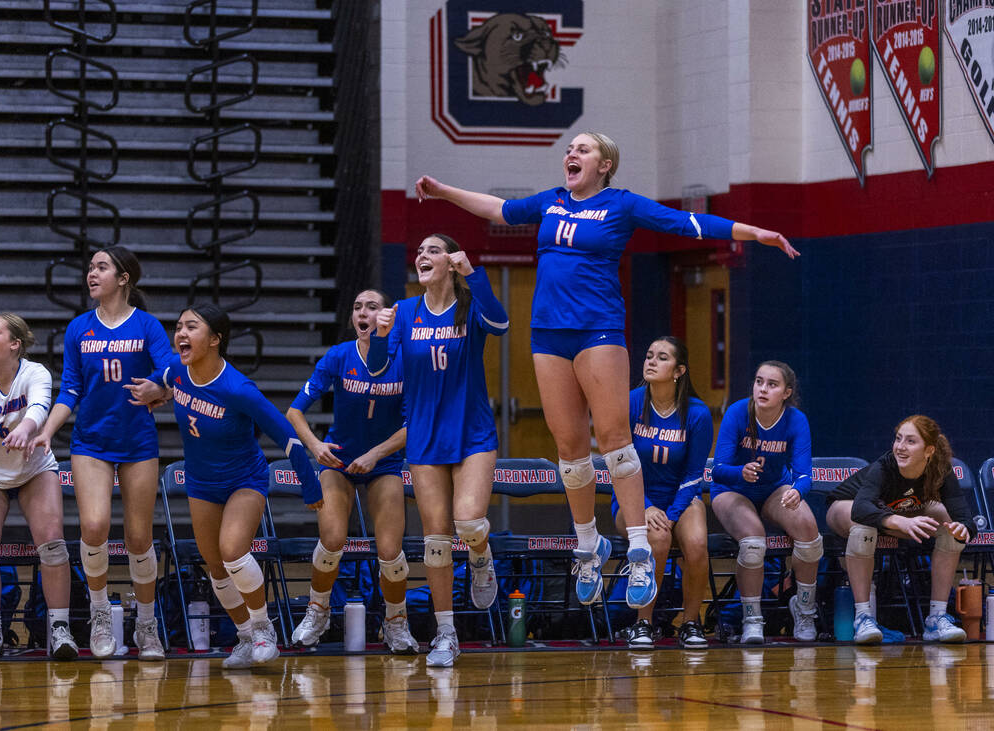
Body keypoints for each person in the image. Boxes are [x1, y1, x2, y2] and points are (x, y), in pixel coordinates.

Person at [414, 133, 797, 610]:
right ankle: (587, 545)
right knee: (570, 451)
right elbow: (497, 209)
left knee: (615, 440)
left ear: (606, 164)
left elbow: (688, 222)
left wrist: (753, 233)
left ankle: (638, 547)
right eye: (569, 149)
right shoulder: (551, 202)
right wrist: (444, 190)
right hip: (548, 333)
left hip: (598, 329)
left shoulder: (621, 204)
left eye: (583, 149)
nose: (571, 155)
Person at [126, 304, 323, 669]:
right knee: (215, 566)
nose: (181, 333)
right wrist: (155, 388)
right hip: (202, 483)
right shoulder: (178, 370)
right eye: (179, 326)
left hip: (244, 479)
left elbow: (289, 437)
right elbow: (164, 375)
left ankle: (265, 629)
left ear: (215, 339)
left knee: (232, 551)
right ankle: (245, 636)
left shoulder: (237, 388)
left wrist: (311, 488)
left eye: (192, 327)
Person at [366, 234, 509, 668]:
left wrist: (474, 274)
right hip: (425, 436)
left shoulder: (469, 304)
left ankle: (481, 555)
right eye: (419, 249)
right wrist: (380, 333)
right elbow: (376, 367)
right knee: (436, 541)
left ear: (450, 261)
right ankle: (446, 634)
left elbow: (501, 325)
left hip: (472, 432)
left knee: (468, 521)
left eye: (432, 250)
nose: (421, 255)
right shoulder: (405, 312)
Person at [29, 246, 172, 660]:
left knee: (139, 536)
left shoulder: (147, 326)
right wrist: (46, 430)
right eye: (90, 267)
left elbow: (170, 370)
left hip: (137, 443)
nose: (92, 273)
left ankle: (146, 624)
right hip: (90, 442)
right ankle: (99, 613)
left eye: (101, 267)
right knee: (93, 527)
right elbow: (70, 388)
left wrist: (158, 388)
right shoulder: (79, 329)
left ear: (123, 278)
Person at [286, 289, 416, 654]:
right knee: (332, 539)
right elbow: (294, 412)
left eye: (372, 306)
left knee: (390, 549)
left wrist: (375, 454)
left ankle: (395, 622)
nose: (363, 312)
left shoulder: (404, 359)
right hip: (339, 463)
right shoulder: (339, 356)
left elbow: (413, 425)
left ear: (387, 316)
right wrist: (316, 446)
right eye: (357, 306)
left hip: (383, 463)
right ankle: (318, 610)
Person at [0, 313, 77, 659]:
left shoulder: (34, 372)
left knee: (53, 544)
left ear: (15, 344)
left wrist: (27, 428)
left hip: (33, 468)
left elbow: (41, 404)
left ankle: (59, 629)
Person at [827, 415, 974, 644]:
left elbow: (965, 517)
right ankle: (863, 618)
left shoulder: (941, 470)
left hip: (896, 515)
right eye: (898, 439)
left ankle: (936, 618)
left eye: (910, 441)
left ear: (929, 450)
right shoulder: (884, 467)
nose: (900, 447)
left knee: (950, 530)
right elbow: (861, 509)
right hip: (848, 509)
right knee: (864, 529)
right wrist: (900, 521)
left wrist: (964, 530)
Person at [710, 361, 821, 644]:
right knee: (753, 542)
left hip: (773, 488)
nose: (763, 389)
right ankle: (751, 618)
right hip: (732, 489)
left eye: (772, 384)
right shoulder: (738, 412)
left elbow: (804, 473)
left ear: (786, 392)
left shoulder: (796, 420)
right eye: (759, 381)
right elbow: (718, 468)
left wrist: (798, 490)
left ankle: (804, 609)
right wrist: (740, 471)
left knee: (810, 534)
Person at [616, 337, 712, 650]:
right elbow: (619, 464)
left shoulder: (697, 414)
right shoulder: (631, 403)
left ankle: (690, 622)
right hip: (633, 498)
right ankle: (643, 623)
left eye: (662, 357)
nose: (651, 361)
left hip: (680, 497)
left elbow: (693, 474)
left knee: (696, 543)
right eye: (649, 355)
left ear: (679, 370)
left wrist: (671, 515)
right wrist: (643, 506)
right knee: (655, 538)